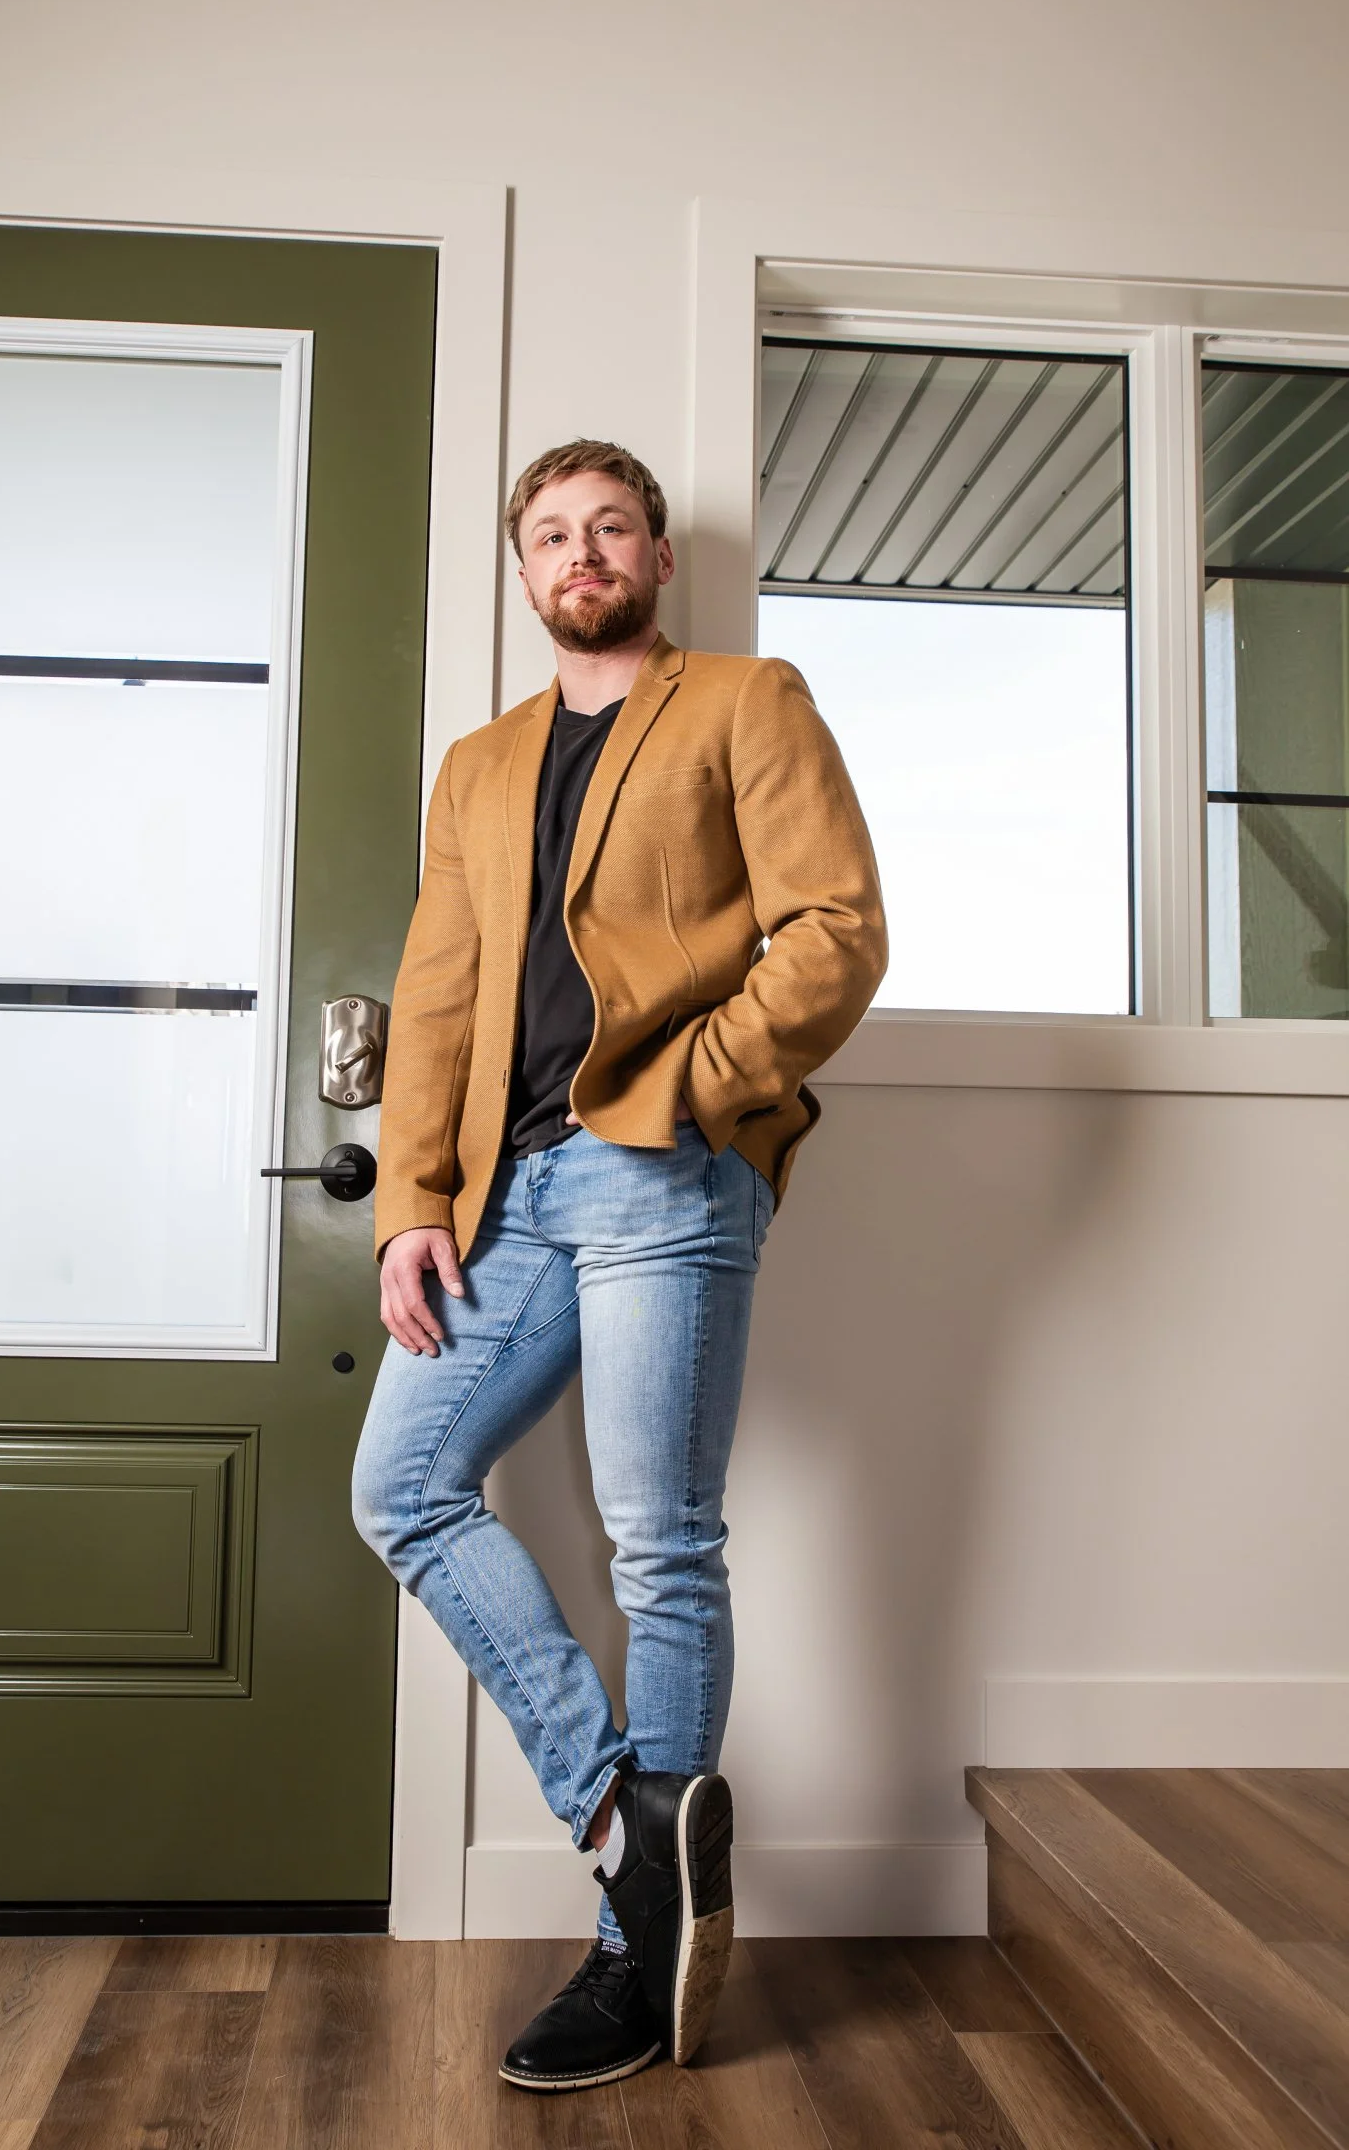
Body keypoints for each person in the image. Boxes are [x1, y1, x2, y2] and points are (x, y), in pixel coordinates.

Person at [352, 439, 886, 2092]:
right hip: (503, 1198)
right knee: (405, 1489)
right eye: (548, 534)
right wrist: (413, 1201)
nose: (578, 553)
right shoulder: (479, 763)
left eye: (606, 528)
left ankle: (632, 1945)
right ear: (522, 572)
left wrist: (688, 1093)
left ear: (654, 556)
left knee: (658, 1543)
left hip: (663, 1171)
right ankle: (626, 1823)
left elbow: (836, 929)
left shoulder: (744, 700)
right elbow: (437, 993)